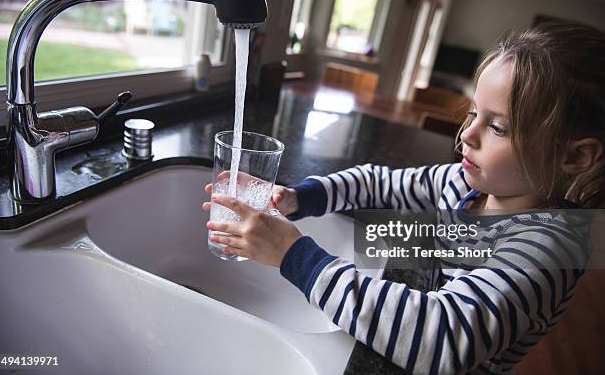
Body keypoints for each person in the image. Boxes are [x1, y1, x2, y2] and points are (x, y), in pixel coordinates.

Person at [202, 21, 605, 374]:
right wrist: (301, 198)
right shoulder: (466, 186)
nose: (467, 134)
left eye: (497, 128)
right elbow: (380, 183)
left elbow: (441, 337)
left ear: (574, 156)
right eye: (472, 113)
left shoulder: (547, 249)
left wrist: (294, 256)